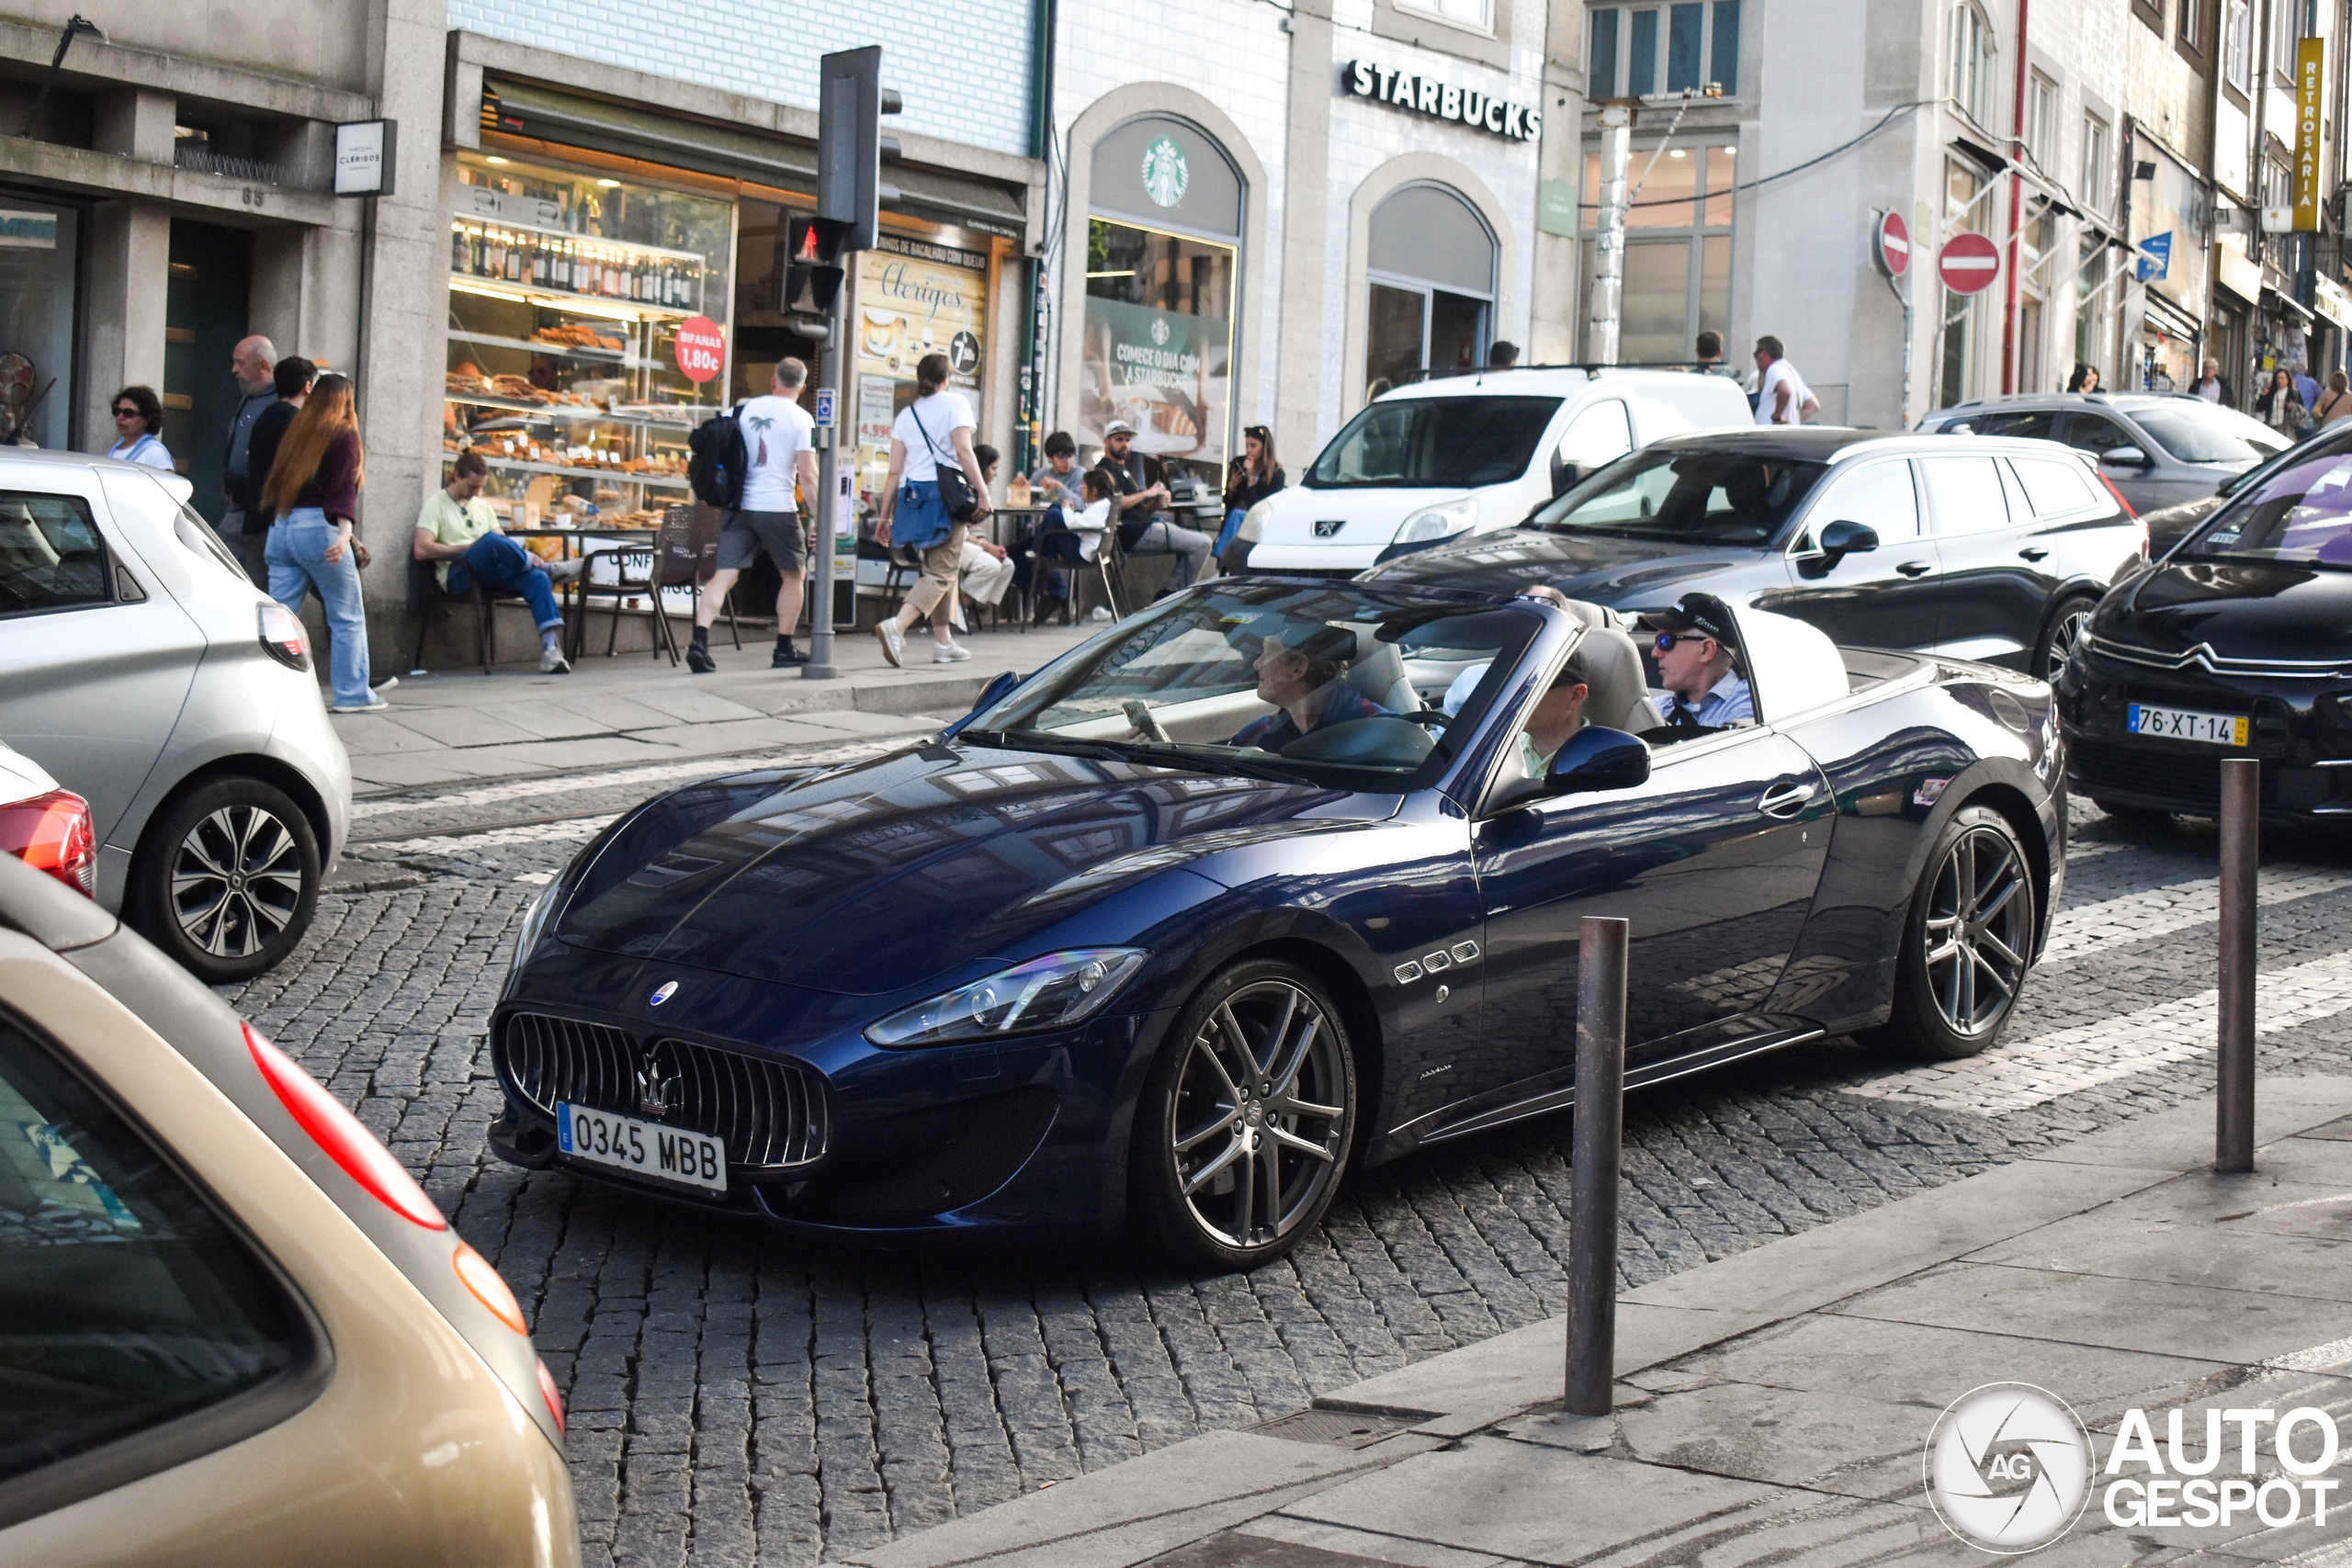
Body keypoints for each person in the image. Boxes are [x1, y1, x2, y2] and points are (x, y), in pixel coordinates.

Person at [259, 373, 380, 713]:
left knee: (278, 619)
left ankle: (268, 694)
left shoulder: (297, 433)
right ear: (346, 400)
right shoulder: (344, 434)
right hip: (319, 529)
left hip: (282, 527)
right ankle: (352, 694)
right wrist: (344, 534)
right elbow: (342, 488)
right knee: (346, 616)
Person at [691, 358, 820, 672]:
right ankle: (784, 648)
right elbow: (808, 476)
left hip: (738, 506)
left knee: (725, 574)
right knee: (793, 575)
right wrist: (821, 519)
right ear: (803, 388)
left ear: (773, 380)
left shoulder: (742, 410)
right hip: (778, 509)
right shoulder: (803, 420)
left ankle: (699, 642)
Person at [412, 452, 582, 674]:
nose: (476, 493)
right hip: (458, 574)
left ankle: (551, 650)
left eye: (480, 488)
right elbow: (421, 549)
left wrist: (510, 553)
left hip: (492, 573)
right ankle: (547, 567)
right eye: (472, 486)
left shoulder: (482, 507)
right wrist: (468, 548)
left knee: (536, 578)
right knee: (491, 541)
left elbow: (503, 545)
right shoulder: (436, 505)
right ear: (457, 476)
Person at [874, 352, 992, 667]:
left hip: (912, 497)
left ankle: (943, 642)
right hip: (943, 495)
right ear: (947, 378)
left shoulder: (907, 414)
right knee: (942, 571)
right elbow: (964, 451)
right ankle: (896, 626)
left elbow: (894, 470)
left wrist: (885, 515)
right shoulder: (956, 404)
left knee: (938, 568)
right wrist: (983, 492)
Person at [1100, 418, 1213, 592]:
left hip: (1144, 526)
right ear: (1107, 441)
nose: (1125, 444)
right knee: (1202, 543)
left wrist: (1154, 504)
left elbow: (1138, 510)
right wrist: (1148, 493)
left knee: (1196, 541)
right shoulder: (1104, 469)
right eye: (1119, 439)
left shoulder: (1124, 470)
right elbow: (1116, 504)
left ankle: (1173, 591)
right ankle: (1171, 593)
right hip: (1133, 533)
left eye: (1127, 440)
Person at [1229, 626, 1386, 750]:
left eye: (1268, 653)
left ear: (1298, 668)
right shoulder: (1256, 735)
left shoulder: (1376, 730)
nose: (1257, 663)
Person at [1640, 601, 1753, 729]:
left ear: (1706, 650)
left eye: (1664, 641)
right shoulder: (1660, 708)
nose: (1655, 653)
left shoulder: (1748, 705)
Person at [219, 334, 277, 581]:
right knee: (217, 569)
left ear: (262, 365)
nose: (234, 370)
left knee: (257, 581)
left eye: (240, 363)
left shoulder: (280, 403)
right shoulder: (248, 399)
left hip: (260, 511)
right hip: (236, 505)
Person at [955, 444, 1016, 624]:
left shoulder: (980, 491)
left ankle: (962, 603)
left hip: (970, 540)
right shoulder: (961, 488)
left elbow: (975, 527)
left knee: (1007, 565)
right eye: (993, 468)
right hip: (953, 539)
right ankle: (956, 607)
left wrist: (985, 543)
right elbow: (961, 528)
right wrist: (986, 546)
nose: (995, 474)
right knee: (991, 566)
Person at [1217, 423, 1283, 568]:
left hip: (1258, 523)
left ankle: (1224, 558)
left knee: (1237, 514)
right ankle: (1225, 561)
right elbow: (1227, 504)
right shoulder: (1239, 464)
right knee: (1235, 514)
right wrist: (1231, 488)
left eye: (1253, 446)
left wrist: (1251, 479)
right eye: (1247, 445)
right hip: (1234, 518)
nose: (1249, 450)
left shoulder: (1276, 474)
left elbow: (1259, 507)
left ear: (1264, 447)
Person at [1751, 337, 1818, 426]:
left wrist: (1777, 416)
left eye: (1756, 355)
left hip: (1769, 431)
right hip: (1783, 432)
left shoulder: (1775, 368)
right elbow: (1813, 405)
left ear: (1764, 354)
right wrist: (1793, 423)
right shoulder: (1792, 374)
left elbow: (1785, 391)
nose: (1756, 361)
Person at [107, 386, 173, 470]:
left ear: (147, 419)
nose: (120, 417)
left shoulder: (155, 452)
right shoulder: (116, 449)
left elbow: (167, 478)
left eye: (128, 413)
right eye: (117, 412)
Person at [1028, 430, 1085, 511]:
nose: (1067, 461)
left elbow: (1081, 505)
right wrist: (1021, 488)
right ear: (1050, 457)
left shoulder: (1079, 474)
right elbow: (1025, 501)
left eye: (1070, 455)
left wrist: (1059, 486)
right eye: (1061, 456)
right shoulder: (1041, 475)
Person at [2257, 367, 2306, 434]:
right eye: (2278, 378)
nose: (2279, 381)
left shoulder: (2294, 394)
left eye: (2282, 378)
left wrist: (2292, 407)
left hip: (2286, 429)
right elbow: (2259, 409)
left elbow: (2301, 411)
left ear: (2287, 380)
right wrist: (2263, 395)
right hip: (2271, 427)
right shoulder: (2271, 394)